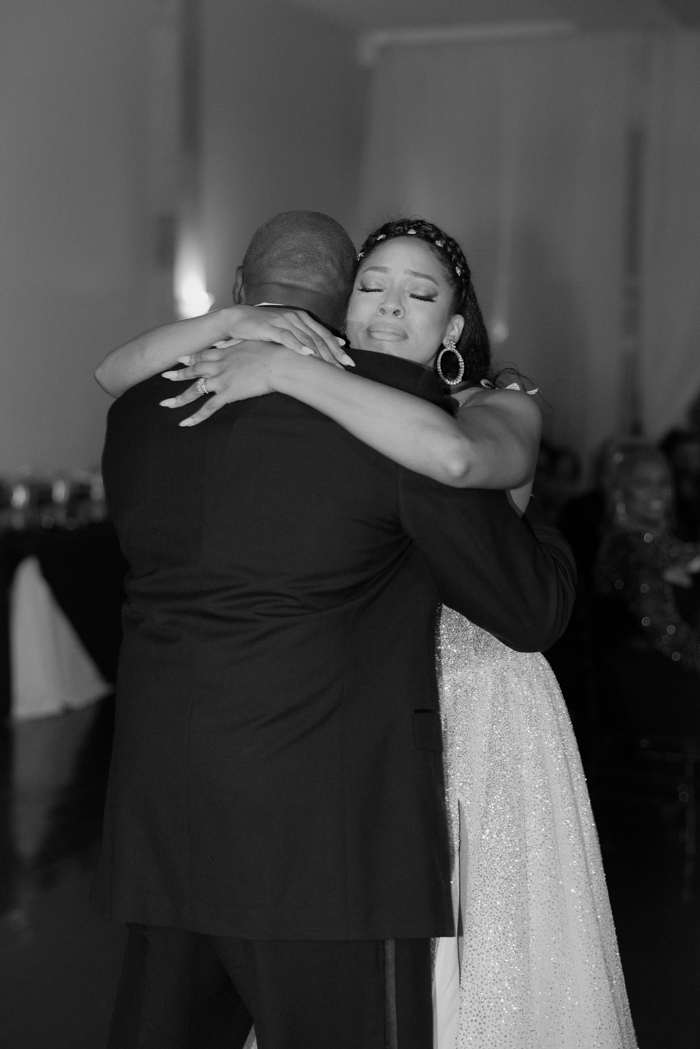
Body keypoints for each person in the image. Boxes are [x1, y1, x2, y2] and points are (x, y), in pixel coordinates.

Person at [99, 215, 634, 1047]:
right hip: (330, 837)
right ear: (341, 295)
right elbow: (530, 608)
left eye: (416, 293)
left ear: (241, 290)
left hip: (166, 814)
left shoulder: (145, 406)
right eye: (374, 286)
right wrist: (532, 519)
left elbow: (111, 371)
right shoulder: (399, 417)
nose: (389, 309)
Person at [595, 440, 700, 738]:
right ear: (620, 491)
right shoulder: (625, 547)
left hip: (670, 675)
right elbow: (665, 631)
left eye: (664, 483)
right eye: (643, 483)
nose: (658, 493)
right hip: (647, 689)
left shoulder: (666, 548)